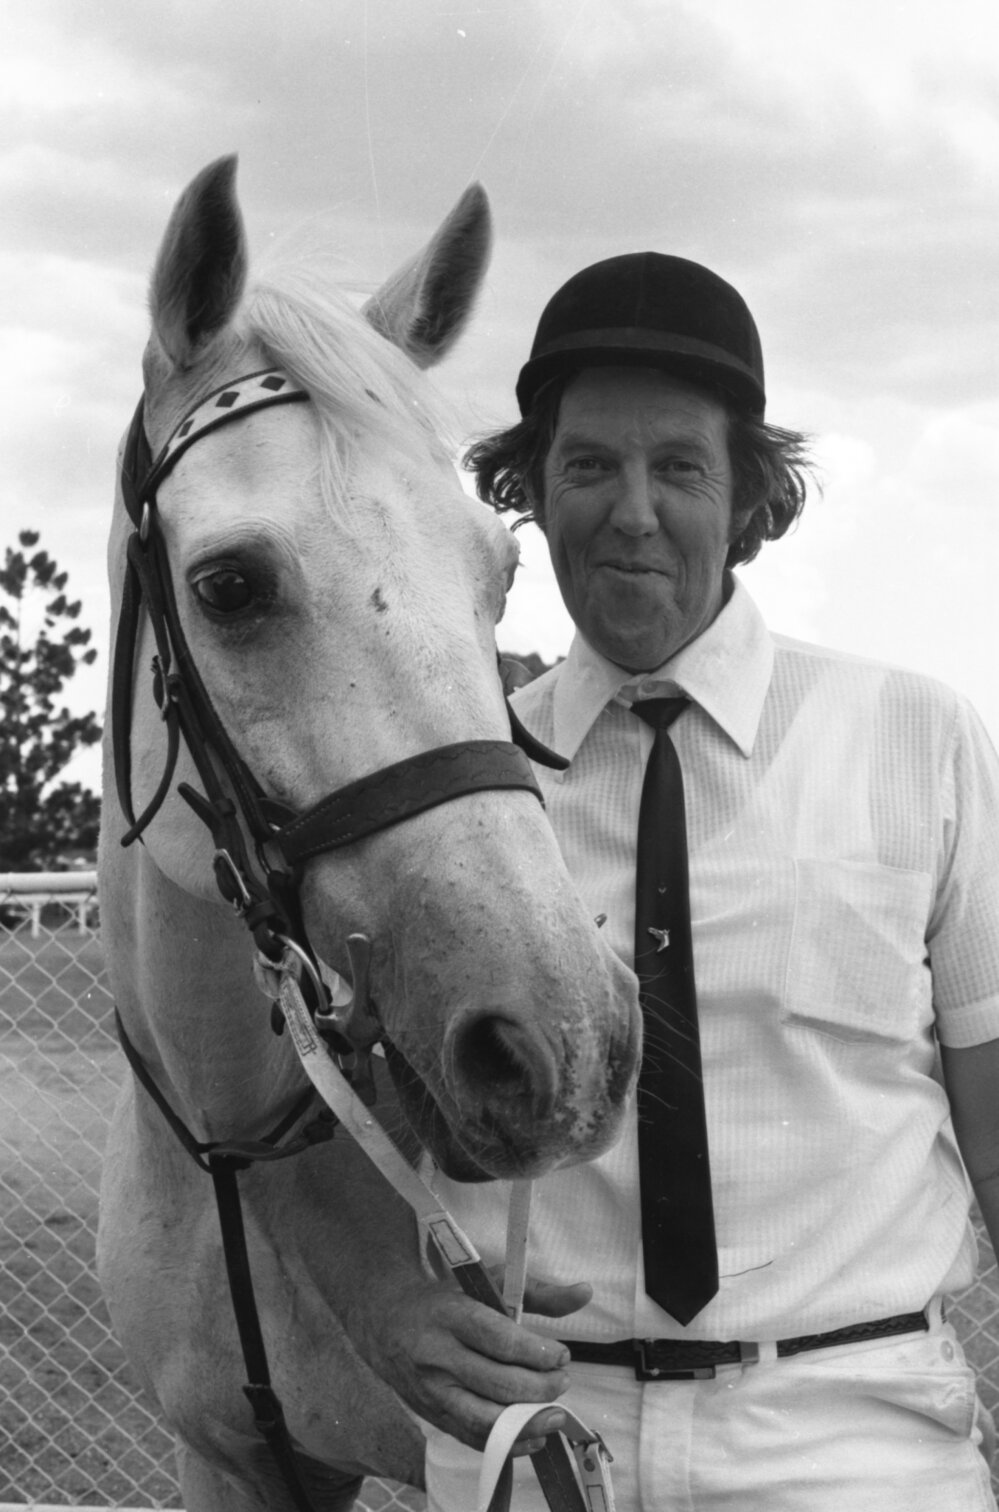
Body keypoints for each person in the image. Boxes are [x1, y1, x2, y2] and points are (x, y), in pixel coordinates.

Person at [369, 251, 999, 1512]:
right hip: (540, 1428)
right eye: (590, 465)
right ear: (531, 492)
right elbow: (314, 1111)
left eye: (681, 467)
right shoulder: (445, 787)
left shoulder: (918, 739)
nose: (634, 510)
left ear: (752, 499)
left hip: (849, 1432)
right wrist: (374, 1295)